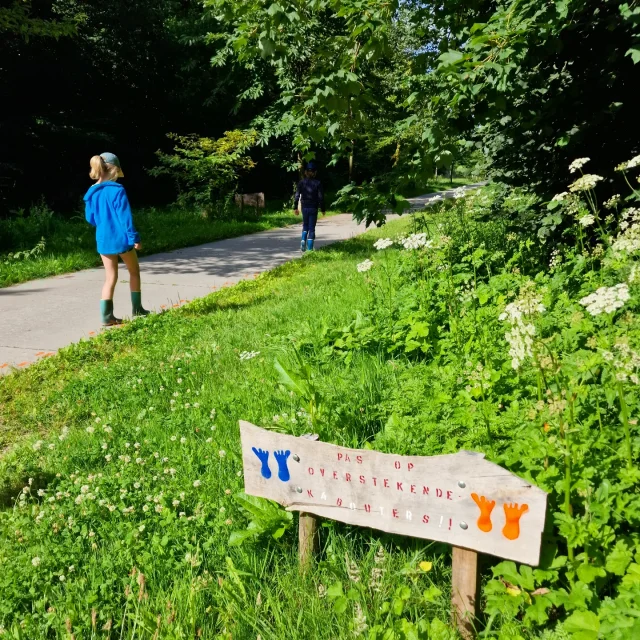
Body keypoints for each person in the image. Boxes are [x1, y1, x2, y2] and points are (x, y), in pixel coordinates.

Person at [84, 153, 149, 326]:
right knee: (134, 272)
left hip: (103, 240)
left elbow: (90, 219)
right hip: (121, 240)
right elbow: (125, 218)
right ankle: (137, 310)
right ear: (113, 170)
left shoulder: (91, 193)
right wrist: (135, 238)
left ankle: (107, 317)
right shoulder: (117, 190)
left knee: (110, 277)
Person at [293, 161, 325, 252]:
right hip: (313, 208)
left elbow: (297, 195)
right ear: (315, 172)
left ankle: (303, 239)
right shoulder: (318, 183)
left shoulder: (301, 183)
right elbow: (321, 197)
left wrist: (295, 207)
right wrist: (323, 209)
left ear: (306, 172)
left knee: (305, 225)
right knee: (312, 228)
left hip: (304, 207)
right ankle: (310, 249)